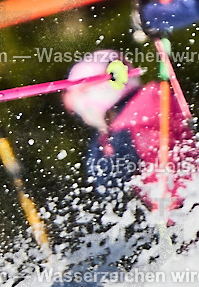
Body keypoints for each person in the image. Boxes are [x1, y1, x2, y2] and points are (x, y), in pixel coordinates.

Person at [63, 50, 196, 212]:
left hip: (179, 208)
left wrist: (104, 136)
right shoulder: (156, 97)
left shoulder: (129, 126)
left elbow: (108, 183)